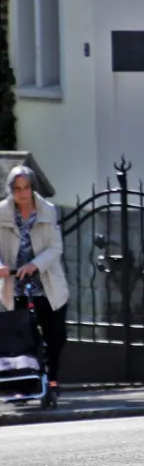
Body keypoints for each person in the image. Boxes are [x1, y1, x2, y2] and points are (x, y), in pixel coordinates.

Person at [0, 165, 69, 394]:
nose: (22, 193)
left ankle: (52, 380)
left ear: (32, 188)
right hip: (17, 284)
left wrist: (34, 264)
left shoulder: (47, 211)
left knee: (55, 336)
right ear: (11, 190)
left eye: (26, 187)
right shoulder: (2, 212)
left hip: (47, 282)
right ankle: (26, 383)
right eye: (17, 188)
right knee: (23, 338)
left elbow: (55, 247)